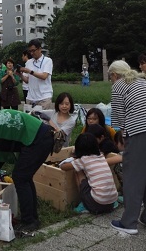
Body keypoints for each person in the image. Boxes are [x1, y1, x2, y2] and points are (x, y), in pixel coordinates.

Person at [109, 60, 146, 235]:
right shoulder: (142, 81)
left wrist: (125, 139)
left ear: (114, 75)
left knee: (133, 176)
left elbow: (120, 120)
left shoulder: (118, 85)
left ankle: (129, 223)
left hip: (139, 131)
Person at [60, 133, 119, 214]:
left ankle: (83, 203)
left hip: (97, 205)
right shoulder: (101, 156)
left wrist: (74, 158)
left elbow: (63, 167)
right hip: (111, 202)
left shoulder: (83, 160)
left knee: (77, 171)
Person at [22, 39, 53, 110]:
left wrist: (30, 71)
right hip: (30, 97)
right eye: (30, 51)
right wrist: (20, 75)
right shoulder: (29, 62)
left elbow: (44, 76)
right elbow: (27, 80)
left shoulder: (47, 61)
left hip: (44, 97)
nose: (32, 53)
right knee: (30, 120)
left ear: (39, 49)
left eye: (33, 50)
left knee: (43, 120)